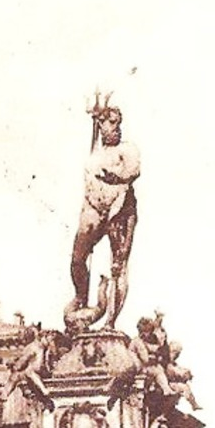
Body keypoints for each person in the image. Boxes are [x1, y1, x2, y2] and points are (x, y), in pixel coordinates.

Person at [70, 98, 141, 329]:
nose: (113, 128)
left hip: (119, 209)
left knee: (118, 265)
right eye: (107, 124)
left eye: (116, 124)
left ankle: (110, 321)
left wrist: (115, 178)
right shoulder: (96, 152)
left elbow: (133, 171)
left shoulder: (127, 149)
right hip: (92, 209)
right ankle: (81, 297)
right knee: (77, 260)